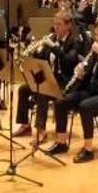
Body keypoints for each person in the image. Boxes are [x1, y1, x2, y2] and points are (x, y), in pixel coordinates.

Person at [46, 20, 98, 163]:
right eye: (95, 35)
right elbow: (90, 74)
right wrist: (81, 73)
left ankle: (88, 150)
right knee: (61, 101)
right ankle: (61, 143)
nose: (97, 39)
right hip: (94, 90)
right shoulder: (96, 51)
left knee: (85, 106)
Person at [12, 11, 86, 144]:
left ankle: (41, 130)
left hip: (65, 81)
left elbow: (69, 60)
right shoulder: (52, 38)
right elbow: (41, 60)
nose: (55, 27)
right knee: (23, 89)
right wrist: (34, 51)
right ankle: (25, 124)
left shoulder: (75, 41)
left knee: (42, 90)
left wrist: (54, 47)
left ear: (68, 25)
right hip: (50, 78)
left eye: (59, 24)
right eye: (54, 24)